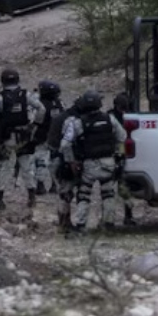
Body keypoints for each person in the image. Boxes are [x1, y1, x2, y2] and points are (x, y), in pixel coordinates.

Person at [60, 90, 127, 234]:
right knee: (108, 194)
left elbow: (65, 144)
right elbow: (122, 137)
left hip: (89, 164)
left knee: (84, 194)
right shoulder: (110, 119)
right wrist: (119, 156)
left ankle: (81, 226)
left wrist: (71, 162)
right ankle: (109, 225)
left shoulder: (77, 123)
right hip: (108, 162)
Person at [0, 68, 43, 211]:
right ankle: (32, 197)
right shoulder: (26, 95)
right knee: (26, 167)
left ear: (2, 81)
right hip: (23, 136)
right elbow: (41, 109)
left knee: (3, 167)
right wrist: (34, 125)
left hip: (5, 138)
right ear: (17, 80)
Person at [45, 87, 79, 233]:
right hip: (62, 161)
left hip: (56, 159)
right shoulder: (71, 120)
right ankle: (64, 223)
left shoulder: (61, 117)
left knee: (64, 192)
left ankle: (64, 222)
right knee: (65, 193)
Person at [107, 92, 139, 227]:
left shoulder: (113, 116)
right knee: (110, 190)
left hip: (118, 153)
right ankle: (113, 219)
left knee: (122, 188)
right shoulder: (113, 117)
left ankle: (127, 216)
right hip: (115, 153)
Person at [30, 80, 64, 195]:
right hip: (57, 136)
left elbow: (35, 120)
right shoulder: (59, 104)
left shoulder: (40, 105)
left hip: (42, 135)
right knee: (55, 160)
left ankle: (40, 185)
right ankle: (54, 184)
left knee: (41, 160)